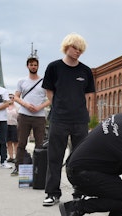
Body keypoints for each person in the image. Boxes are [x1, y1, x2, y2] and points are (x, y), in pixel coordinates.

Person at [41, 33, 95, 206]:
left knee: (80, 158)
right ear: (66, 47)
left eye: (80, 49)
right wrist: (59, 107)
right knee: (54, 157)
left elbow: (87, 96)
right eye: (74, 48)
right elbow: (49, 93)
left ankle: (80, 192)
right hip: (59, 119)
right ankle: (52, 193)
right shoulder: (53, 68)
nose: (77, 51)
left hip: (80, 120)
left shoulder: (85, 71)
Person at [11, 55, 50, 176]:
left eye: (35, 65)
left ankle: (39, 168)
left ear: (38, 66)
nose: (33, 67)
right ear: (27, 66)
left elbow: (51, 99)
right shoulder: (22, 81)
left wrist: (39, 107)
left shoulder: (44, 81)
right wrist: (26, 105)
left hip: (39, 116)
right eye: (31, 64)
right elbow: (16, 97)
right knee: (22, 142)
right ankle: (18, 167)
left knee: (39, 144)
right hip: (24, 115)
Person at [6, 94, 19, 163]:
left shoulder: (17, 108)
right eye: (9, 97)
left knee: (15, 142)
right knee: (8, 142)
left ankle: (17, 157)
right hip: (7, 125)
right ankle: (11, 157)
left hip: (14, 125)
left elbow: (19, 118)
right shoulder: (5, 107)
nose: (10, 99)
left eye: (12, 97)